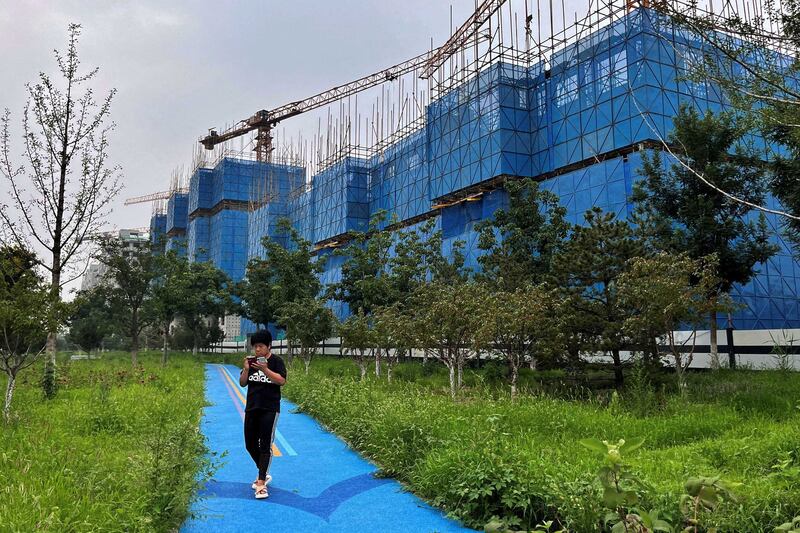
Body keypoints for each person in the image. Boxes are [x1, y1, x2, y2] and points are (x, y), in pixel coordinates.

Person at [239, 329, 287, 499]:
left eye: (260, 346)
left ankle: (261, 483)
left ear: (268, 346)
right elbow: (243, 383)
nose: (257, 350)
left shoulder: (276, 362)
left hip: (270, 409)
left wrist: (265, 370)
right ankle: (263, 471)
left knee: (265, 444)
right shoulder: (251, 363)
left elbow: (281, 381)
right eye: (255, 347)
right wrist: (245, 369)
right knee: (250, 444)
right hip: (252, 407)